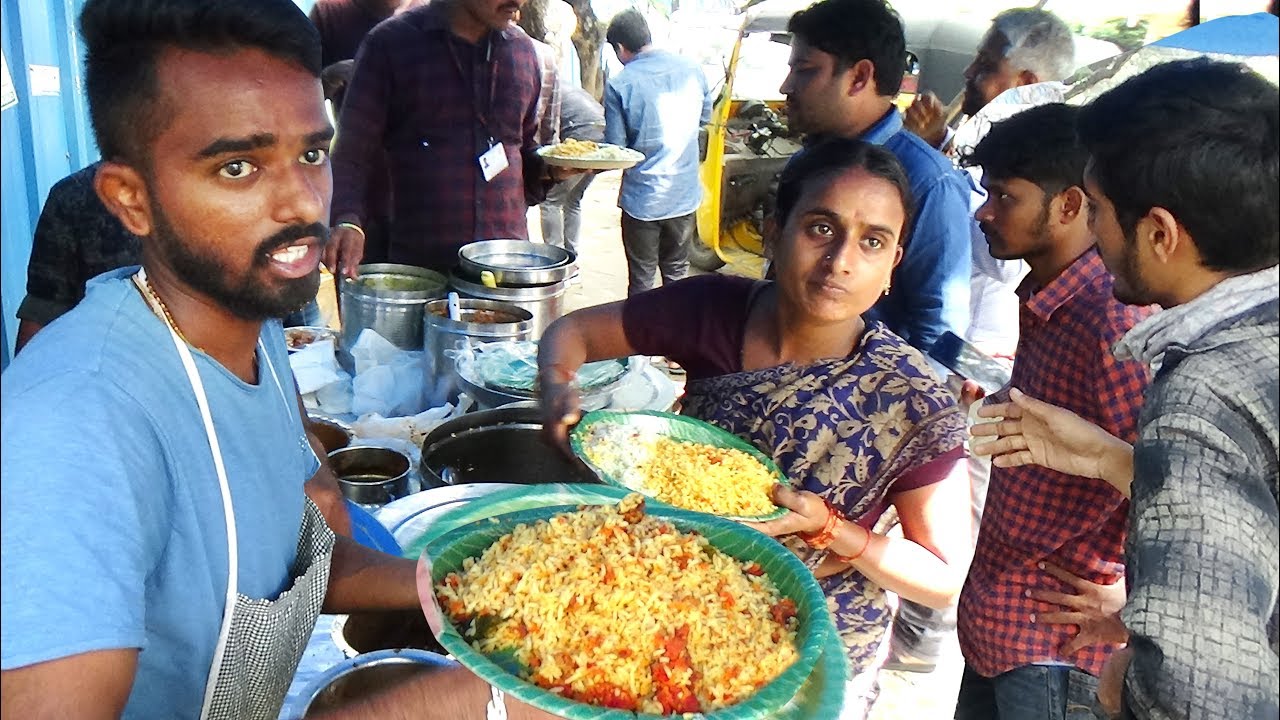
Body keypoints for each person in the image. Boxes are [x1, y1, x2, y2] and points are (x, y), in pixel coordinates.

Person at [0, 1, 557, 718]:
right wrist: (483, 703)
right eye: (238, 166)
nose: (301, 202)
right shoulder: (74, 424)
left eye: (312, 154)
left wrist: (458, 582)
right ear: (130, 200)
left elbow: (292, 560)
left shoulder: (251, 326)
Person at [538, 138, 973, 718]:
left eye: (873, 241)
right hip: (661, 602)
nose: (841, 260)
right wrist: (555, 385)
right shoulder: (714, 308)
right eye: (821, 228)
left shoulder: (911, 395)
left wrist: (834, 532)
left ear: (894, 263)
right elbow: (572, 334)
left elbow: (942, 578)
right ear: (774, 231)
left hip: (806, 645)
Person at [971, 58, 1279, 720]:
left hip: (1059, 657)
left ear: (1161, 235)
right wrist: (1106, 457)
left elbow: (1199, 689)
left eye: (1103, 211)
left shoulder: (1203, 391)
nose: (1095, 235)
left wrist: (1129, 679)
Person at [950, 103, 1155, 720]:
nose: (984, 212)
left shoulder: (1112, 319)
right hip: (1004, 617)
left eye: (1004, 196)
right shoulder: (1049, 295)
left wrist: (1136, 604)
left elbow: (1165, 477)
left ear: (1070, 205)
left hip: (1057, 645)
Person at [780, 0, 973, 361]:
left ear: (859, 77)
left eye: (804, 70)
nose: (786, 86)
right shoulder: (805, 164)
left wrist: (899, 404)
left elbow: (939, 325)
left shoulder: (929, 181)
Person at [327, 0, 564, 277]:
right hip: (421, 271)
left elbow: (522, 151)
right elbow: (353, 151)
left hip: (505, 267)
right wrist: (347, 220)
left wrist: (551, 169)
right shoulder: (391, 45)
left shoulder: (523, 52)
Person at [14, 162, 324, 354]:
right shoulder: (75, 200)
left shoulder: (278, 196)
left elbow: (299, 330)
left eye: (313, 154)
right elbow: (41, 320)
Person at [603, 8, 712, 296]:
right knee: (677, 276)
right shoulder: (692, 68)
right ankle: (677, 339)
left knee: (641, 282)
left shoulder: (619, 84)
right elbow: (704, 120)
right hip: (683, 196)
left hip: (643, 202)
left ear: (620, 48)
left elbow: (617, 148)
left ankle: (640, 340)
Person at [905, 7, 1076, 156]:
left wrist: (924, 149)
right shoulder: (996, 145)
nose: (968, 72)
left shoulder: (1027, 167)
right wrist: (937, 139)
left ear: (1026, 85)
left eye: (986, 66)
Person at [540, 86, 605, 257]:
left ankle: (555, 258)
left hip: (580, 136)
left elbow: (545, 129)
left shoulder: (544, 87)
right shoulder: (566, 86)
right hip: (601, 136)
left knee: (550, 201)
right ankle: (572, 258)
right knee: (573, 200)